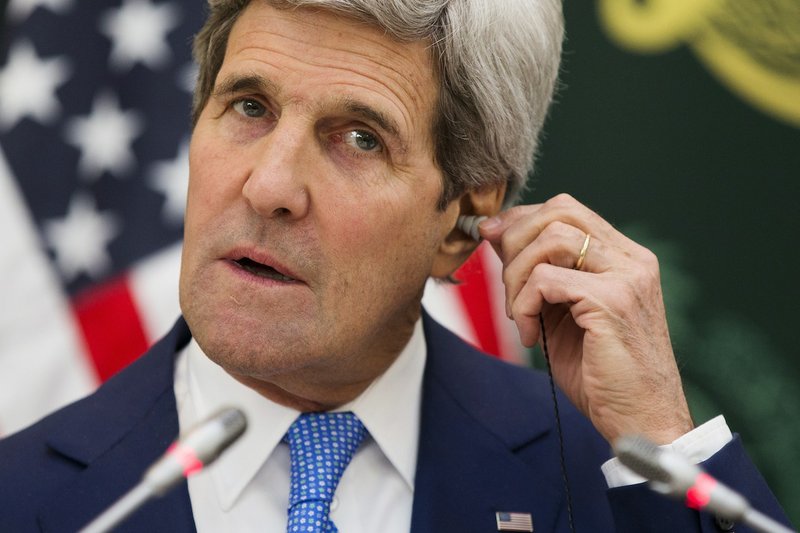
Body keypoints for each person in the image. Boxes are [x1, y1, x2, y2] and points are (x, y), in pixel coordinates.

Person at [0, 0, 791, 531]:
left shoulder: (600, 481)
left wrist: (662, 438)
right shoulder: (23, 494)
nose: (269, 185)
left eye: (359, 138)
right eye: (249, 106)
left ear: (460, 218)